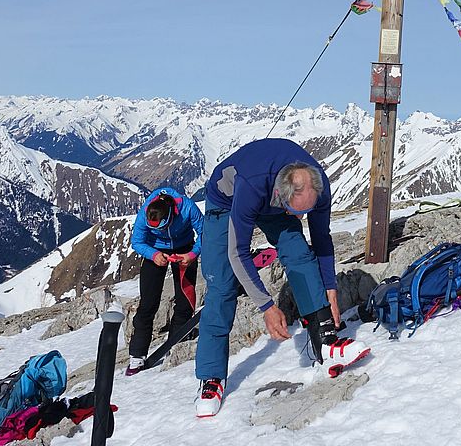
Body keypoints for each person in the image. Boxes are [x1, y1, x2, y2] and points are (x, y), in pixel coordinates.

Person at [193, 138, 369, 418]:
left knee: (299, 253)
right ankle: (211, 377)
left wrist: (330, 288)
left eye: (304, 213)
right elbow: (238, 252)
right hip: (225, 203)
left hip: (273, 200)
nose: (297, 217)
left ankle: (327, 342)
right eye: (295, 212)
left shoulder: (316, 188)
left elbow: (321, 239)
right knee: (222, 283)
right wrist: (266, 306)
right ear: (282, 193)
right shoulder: (252, 185)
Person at [127, 187, 204, 374]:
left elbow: (205, 232)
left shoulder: (187, 207)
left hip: (183, 248)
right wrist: (153, 255)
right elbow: (137, 241)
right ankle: (137, 356)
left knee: (184, 301)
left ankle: (177, 344)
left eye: (161, 228)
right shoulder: (146, 211)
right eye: (154, 229)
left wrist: (192, 254)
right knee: (148, 304)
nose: (159, 231)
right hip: (155, 252)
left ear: (170, 216)